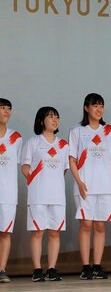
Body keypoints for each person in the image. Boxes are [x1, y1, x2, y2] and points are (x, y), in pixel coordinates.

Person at [69, 93, 111, 280]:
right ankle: (85, 267)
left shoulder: (110, 131)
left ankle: (97, 265)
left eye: (101, 106)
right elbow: (72, 160)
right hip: (85, 186)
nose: (99, 109)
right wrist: (79, 182)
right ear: (86, 108)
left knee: (99, 225)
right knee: (86, 224)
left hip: (105, 185)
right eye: (95, 106)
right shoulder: (77, 131)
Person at [21, 107, 69, 282]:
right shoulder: (33, 143)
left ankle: (52, 268)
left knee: (55, 233)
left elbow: (64, 170)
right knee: (38, 232)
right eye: (50, 117)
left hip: (57, 196)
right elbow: (25, 167)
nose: (55, 120)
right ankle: (37, 269)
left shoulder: (63, 145)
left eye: (57, 117)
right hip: (38, 196)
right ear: (41, 121)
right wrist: (36, 180)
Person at [0, 98, 22, 284]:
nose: (6, 112)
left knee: (5, 232)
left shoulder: (16, 138)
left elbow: (20, 165)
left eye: (9, 109)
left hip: (7, 193)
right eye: (2, 108)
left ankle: (1, 270)